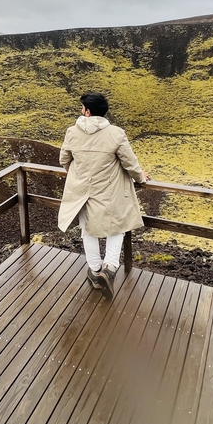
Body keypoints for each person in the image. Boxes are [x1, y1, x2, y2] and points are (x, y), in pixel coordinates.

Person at [58, 92, 150, 299]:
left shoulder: (72, 132)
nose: (81, 110)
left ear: (87, 112)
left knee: (88, 230)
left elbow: (64, 160)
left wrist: (79, 174)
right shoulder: (116, 133)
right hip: (109, 191)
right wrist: (140, 178)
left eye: (82, 108)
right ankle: (110, 268)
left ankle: (94, 271)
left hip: (82, 191)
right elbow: (130, 163)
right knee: (117, 227)